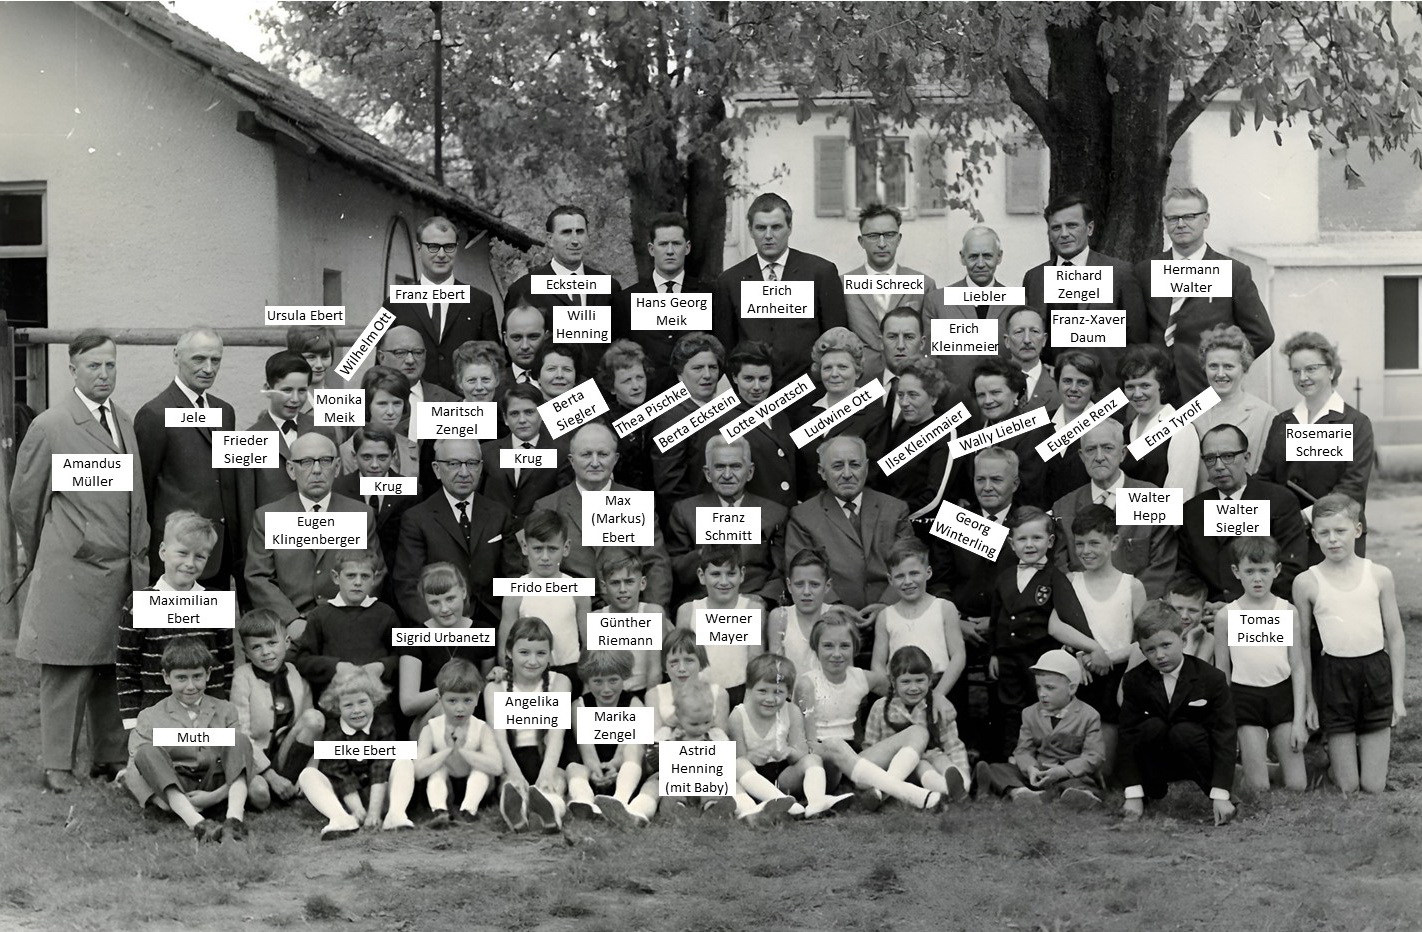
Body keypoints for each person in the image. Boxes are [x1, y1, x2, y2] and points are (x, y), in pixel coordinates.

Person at [11, 329, 148, 793]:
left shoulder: (123, 420)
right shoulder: (50, 425)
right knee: (67, 668)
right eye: (93, 366)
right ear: (72, 370)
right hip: (72, 571)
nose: (104, 374)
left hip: (122, 569)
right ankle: (57, 765)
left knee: (113, 664)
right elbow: (25, 502)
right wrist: (54, 549)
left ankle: (110, 756)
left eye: (110, 365)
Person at [1294, 494, 1406, 794]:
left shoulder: (1379, 575)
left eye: (1340, 530)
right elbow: (1302, 646)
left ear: (1357, 530)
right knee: (1349, 786)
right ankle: (1337, 762)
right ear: (1314, 535)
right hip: (1334, 676)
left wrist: (1396, 697)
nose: (1332, 539)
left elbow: (1395, 636)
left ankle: (1364, 756)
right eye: (1324, 532)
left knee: (1373, 786)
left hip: (1375, 674)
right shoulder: (1306, 582)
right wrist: (1310, 702)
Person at [1136, 187, 1273, 402]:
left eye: (1190, 216)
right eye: (1173, 218)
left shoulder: (1232, 272)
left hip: (1207, 391)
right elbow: (1135, 333)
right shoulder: (1146, 271)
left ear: (1206, 220)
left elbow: (1262, 334)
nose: (1181, 224)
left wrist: (1224, 366)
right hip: (1157, 394)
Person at [794, 611, 943, 809]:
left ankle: (881, 791)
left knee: (918, 732)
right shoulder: (807, 684)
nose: (837, 653)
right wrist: (836, 752)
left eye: (844, 646)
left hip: (856, 760)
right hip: (822, 763)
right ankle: (909, 793)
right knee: (835, 744)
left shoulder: (862, 678)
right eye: (828, 646)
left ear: (855, 648)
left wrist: (937, 696)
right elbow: (810, 744)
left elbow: (903, 686)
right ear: (816, 647)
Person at [990, 508, 1109, 754]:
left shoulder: (1055, 578)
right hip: (1008, 658)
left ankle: (1044, 755)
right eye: (1022, 539)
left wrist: (1083, 651)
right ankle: (1013, 756)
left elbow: (1072, 616)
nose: (1029, 545)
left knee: (1041, 705)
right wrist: (993, 653)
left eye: (1037, 538)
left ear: (1051, 541)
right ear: (1012, 544)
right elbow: (996, 619)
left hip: (1040, 658)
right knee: (1010, 707)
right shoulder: (1004, 578)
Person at [134, 326, 240, 588]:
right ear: (176, 356)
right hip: (177, 559)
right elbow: (143, 491)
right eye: (199, 359)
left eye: (215, 360)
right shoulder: (155, 414)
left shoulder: (225, 411)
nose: (208, 368)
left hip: (217, 553)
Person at [1257, 331, 1375, 561]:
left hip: (1335, 538)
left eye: (1311, 369)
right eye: (1296, 371)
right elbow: (1265, 479)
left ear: (1331, 370)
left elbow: (1352, 487)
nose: (1303, 377)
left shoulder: (1356, 423)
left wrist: (1304, 517)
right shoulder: (1282, 422)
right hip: (1286, 539)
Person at [1118, 601, 1238, 826]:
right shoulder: (1134, 680)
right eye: (1150, 650)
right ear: (1141, 650)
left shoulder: (1211, 678)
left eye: (1166, 645)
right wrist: (1132, 794)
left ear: (1183, 640)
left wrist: (1221, 793)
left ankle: (1220, 797)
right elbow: (1128, 736)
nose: (1159, 655)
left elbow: (1224, 735)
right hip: (1157, 758)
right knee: (1151, 726)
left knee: (1184, 732)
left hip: (1196, 752)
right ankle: (1149, 793)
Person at [785, 436, 915, 641]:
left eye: (854, 464)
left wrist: (886, 606)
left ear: (866, 468)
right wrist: (833, 607)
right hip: (831, 627)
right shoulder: (803, 516)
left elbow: (910, 564)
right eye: (838, 466)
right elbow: (799, 572)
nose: (847, 474)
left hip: (894, 621)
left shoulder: (895, 509)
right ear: (822, 472)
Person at [123, 638, 251, 842]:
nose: (190, 686)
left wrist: (216, 796)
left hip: (215, 781)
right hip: (175, 783)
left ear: (208, 674)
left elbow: (240, 759)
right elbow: (134, 767)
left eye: (197, 677)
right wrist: (161, 800)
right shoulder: (150, 716)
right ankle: (198, 824)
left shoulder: (226, 710)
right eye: (181, 678)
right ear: (166, 677)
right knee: (145, 751)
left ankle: (234, 820)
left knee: (240, 740)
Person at [533, 422, 674, 607]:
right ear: (572, 460)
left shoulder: (636, 501)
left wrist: (654, 611)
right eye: (586, 454)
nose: (595, 462)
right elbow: (538, 571)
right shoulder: (548, 506)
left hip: (627, 611)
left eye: (603, 454)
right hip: (569, 610)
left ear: (615, 459)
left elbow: (656, 564)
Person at [244, 432, 377, 626]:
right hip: (290, 625)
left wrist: (349, 615)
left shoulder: (361, 514)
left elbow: (375, 571)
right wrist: (291, 620)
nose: (316, 470)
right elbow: (258, 578)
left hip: (348, 620)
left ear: (337, 467)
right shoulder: (267, 516)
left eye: (325, 461)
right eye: (306, 462)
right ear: (291, 469)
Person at [716, 192, 848, 385]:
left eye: (776, 227)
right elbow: (726, 348)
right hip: (753, 392)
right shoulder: (730, 281)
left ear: (790, 227)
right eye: (761, 228)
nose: (768, 235)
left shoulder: (820, 273)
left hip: (809, 390)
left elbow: (836, 341)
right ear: (750, 230)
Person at [117, 512, 234, 728]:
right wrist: (133, 721)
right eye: (182, 553)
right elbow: (127, 666)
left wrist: (222, 712)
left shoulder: (215, 601)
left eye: (200, 557)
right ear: (163, 551)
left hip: (208, 719)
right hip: (157, 718)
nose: (190, 563)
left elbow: (226, 664)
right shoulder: (140, 603)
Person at [1022, 192, 1147, 386]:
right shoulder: (1035, 278)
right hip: (1050, 392)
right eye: (1056, 227)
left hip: (1104, 390)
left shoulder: (1119, 274)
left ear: (1090, 228)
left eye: (1072, 225)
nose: (1064, 234)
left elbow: (1137, 342)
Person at [1213, 537, 1308, 793]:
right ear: (1236, 572)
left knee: (1297, 785)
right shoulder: (1227, 616)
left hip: (1281, 697)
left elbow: (1297, 667)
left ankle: (1265, 766)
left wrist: (1299, 721)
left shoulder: (1287, 612)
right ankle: (1247, 769)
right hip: (1245, 699)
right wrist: (1226, 721)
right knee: (1258, 788)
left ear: (1277, 570)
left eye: (1264, 571)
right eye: (1250, 571)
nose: (1257, 578)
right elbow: (1222, 672)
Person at [395, 438, 521, 626]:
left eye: (471, 463)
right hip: (439, 624)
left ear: (480, 468)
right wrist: (438, 626)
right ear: (437, 469)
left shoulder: (499, 514)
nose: (464, 472)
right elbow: (408, 585)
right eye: (453, 464)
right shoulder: (416, 519)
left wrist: (508, 622)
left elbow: (514, 576)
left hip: (494, 621)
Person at [1180, 424, 1308, 607]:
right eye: (1210, 459)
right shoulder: (1192, 511)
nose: (1219, 466)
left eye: (1228, 456)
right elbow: (1185, 573)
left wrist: (1239, 608)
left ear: (1246, 458)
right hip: (1208, 613)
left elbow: (1291, 568)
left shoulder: (1280, 501)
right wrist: (1201, 606)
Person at [1051, 420, 1178, 600]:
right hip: (1081, 606)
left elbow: (1162, 566)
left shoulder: (1155, 498)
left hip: (1137, 606)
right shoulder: (1064, 507)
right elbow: (1060, 568)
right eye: (1091, 449)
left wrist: (1123, 601)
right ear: (1081, 456)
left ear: (1123, 453)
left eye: (1108, 448)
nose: (1099, 457)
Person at [1064, 505, 1147, 775]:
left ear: (1114, 542)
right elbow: (1062, 630)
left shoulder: (1131, 586)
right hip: (1080, 671)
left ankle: (1096, 777)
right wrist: (1080, 657)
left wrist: (1106, 657)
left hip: (1116, 671)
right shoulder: (1071, 582)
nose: (1086, 551)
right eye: (1079, 544)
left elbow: (1144, 642)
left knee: (1104, 767)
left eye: (1094, 543)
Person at [728, 653, 854, 818]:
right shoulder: (738, 716)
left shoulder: (791, 711)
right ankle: (782, 803)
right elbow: (738, 759)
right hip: (753, 779)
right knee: (737, 765)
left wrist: (787, 751)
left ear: (788, 692)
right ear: (750, 690)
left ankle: (816, 803)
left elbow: (801, 753)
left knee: (812, 759)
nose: (770, 699)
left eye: (778, 692)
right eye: (762, 691)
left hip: (782, 778)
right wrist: (752, 757)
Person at [973, 649, 1105, 806]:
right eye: (1038, 687)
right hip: (1040, 772)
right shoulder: (1029, 713)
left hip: (1070, 773)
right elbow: (1023, 750)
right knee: (997, 768)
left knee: (1079, 781)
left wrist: (1064, 771)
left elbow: (1094, 756)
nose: (1042, 694)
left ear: (1071, 688)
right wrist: (1031, 769)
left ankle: (1080, 795)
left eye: (1049, 688)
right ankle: (1020, 792)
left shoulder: (1089, 715)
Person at [667, 435, 787, 605]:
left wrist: (762, 599)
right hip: (703, 604)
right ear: (708, 473)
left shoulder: (775, 514)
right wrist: (704, 553)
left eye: (736, 466)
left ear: (750, 472)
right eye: (719, 467)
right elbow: (675, 570)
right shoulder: (685, 511)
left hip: (754, 602)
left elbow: (781, 571)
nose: (727, 475)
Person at [384, 216, 500, 392]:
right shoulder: (394, 302)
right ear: (418, 248)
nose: (441, 254)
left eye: (448, 247)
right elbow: (380, 366)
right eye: (433, 246)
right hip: (412, 403)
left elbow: (495, 363)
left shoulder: (480, 302)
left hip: (465, 403)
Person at [384, 658, 502, 829]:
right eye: (452, 701)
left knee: (481, 773)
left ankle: (469, 811)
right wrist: (447, 751)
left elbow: (497, 767)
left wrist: (463, 751)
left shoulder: (481, 728)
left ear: (477, 698)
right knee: (438, 771)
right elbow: (418, 770)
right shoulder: (431, 729)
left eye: (467, 700)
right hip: (446, 784)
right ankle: (439, 811)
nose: (460, 708)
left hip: (474, 785)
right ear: (439, 698)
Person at [613, 212, 723, 393]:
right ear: (651, 249)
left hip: (697, 398)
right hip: (647, 399)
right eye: (663, 244)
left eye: (676, 244)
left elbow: (720, 351)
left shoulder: (710, 295)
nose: (670, 251)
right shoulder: (627, 300)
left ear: (687, 248)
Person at [231, 609, 323, 811]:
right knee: (261, 797)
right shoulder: (242, 677)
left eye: (272, 643)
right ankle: (269, 785)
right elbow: (241, 734)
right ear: (246, 652)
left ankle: (297, 780)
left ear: (287, 642)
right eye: (256, 647)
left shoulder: (297, 673)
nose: (266, 652)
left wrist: (311, 770)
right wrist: (270, 776)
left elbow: (313, 732)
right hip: (255, 759)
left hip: (285, 754)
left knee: (315, 718)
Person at [842, 203, 946, 379]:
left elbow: (930, 341)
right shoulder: (843, 284)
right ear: (861, 241)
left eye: (889, 235)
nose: (882, 244)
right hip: (861, 381)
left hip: (909, 379)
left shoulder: (923, 284)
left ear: (899, 239)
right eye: (873, 236)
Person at [488, 616, 572, 834]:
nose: (533, 661)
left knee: (556, 781)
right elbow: (499, 738)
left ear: (550, 654)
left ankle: (552, 809)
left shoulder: (560, 682)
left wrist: (546, 774)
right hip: (513, 759)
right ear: (509, 652)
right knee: (510, 785)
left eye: (541, 653)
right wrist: (514, 773)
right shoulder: (495, 688)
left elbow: (556, 736)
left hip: (547, 757)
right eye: (524, 653)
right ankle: (517, 812)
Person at [502, 205, 619, 354]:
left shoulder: (609, 287)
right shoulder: (525, 289)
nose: (575, 240)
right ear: (550, 239)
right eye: (566, 232)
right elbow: (512, 350)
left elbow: (617, 344)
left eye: (580, 232)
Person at [397, 564, 497, 738]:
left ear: (463, 592)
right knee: (447, 709)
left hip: (472, 719)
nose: (444, 609)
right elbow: (408, 704)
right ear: (424, 601)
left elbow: (484, 685)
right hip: (428, 724)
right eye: (435, 602)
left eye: (450, 599)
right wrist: (453, 689)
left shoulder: (483, 631)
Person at [237, 352, 334, 530]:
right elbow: (246, 508)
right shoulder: (248, 440)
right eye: (287, 390)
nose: (295, 399)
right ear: (267, 389)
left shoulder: (324, 430)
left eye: (302, 391)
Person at [864, 645, 972, 801]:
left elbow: (953, 745)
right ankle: (946, 790)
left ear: (930, 680)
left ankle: (964, 785)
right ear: (893, 682)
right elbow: (871, 746)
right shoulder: (880, 708)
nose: (913, 688)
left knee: (941, 759)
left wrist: (963, 770)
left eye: (920, 680)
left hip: (934, 760)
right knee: (920, 764)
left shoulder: (937, 706)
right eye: (906, 682)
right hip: (897, 768)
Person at [298, 667, 396, 838]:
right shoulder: (332, 734)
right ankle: (342, 819)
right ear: (338, 707)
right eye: (348, 705)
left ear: (373, 701)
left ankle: (396, 814)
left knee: (404, 762)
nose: (356, 710)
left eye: (362, 702)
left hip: (379, 795)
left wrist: (374, 812)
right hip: (347, 799)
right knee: (307, 774)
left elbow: (380, 768)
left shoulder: (384, 728)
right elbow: (340, 775)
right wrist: (357, 809)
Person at [291, 550, 399, 700]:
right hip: (333, 702)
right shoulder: (319, 615)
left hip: (378, 702)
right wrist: (335, 667)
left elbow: (402, 656)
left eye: (365, 576)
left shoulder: (386, 614)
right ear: (336, 577)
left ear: (374, 579)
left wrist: (381, 667)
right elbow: (303, 660)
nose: (358, 582)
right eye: (351, 575)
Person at [947, 357, 1053, 510]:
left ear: (1016, 393)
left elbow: (1029, 496)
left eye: (995, 393)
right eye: (981, 395)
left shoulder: (1033, 434)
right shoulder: (975, 432)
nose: (988, 401)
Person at [501, 509, 589, 693]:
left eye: (552, 549)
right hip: (528, 673)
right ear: (525, 547)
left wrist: (587, 684)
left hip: (571, 672)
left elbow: (590, 642)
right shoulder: (514, 591)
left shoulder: (578, 589)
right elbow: (505, 648)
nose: (545, 557)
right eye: (538, 549)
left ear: (566, 548)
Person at [867, 355, 957, 531]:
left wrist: (892, 519)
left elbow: (934, 498)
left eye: (913, 395)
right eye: (900, 395)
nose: (904, 403)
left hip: (919, 530)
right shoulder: (902, 428)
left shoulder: (944, 431)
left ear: (933, 398)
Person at [870, 539, 966, 700]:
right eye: (900, 576)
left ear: (928, 572)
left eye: (914, 573)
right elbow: (877, 664)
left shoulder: (944, 608)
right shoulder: (885, 616)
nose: (908, 581)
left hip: (939, 686)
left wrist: (938, 694)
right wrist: (895, 696)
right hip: (899, 690)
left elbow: (958, 655)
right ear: (890, 580)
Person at [929, 225, 1012, 406]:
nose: (980, 264)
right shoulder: (937, 301)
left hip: (1001, 404)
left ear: (999, 257)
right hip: (951, 403)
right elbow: (929, 361)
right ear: (962, 257)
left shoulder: (1016, 302)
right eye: (973, 256)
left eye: (987, 256)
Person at [332, 426, 416, 605]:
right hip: (355, 583)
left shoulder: (411, 490)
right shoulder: (338, 489)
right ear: (354, 456)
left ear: (393, 456)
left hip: (398, 585)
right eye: (367, 457)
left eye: (382, 457)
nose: (375, 465)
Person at [793, 328, 884, 490]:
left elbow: (874, 474)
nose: (834, 374)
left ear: (857, 372)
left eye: (842, 367)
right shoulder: (804, 416)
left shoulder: (874, 415)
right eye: (827, 368)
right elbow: (799, 470)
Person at [675, 545, 766, 707]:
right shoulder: (688, 611)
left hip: (740, 695)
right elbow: (680, 662)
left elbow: (755, 661)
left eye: (731, 574)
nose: (724, 582)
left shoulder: (752, 609)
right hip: (700, 695)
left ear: (742, 574)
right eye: (716, 574)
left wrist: (748, 704)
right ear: (702, 576)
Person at [1188, 324, 1274, 492]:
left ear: (1244, 367)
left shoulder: (1265, 414)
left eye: (1228, 366)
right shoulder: (1191, 411)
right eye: (1213, 366)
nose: (1220, 374)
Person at [649, 332, 729, 509]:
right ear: (680, 374)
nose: (707, 375)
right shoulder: (670, 420)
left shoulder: (728, 411)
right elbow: (671, 488)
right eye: (698, 368)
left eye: (712, 367)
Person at [564, 651, 646, 821]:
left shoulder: (635, 704)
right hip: (592, 771)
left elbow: (625, 748)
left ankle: (620, 800)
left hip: (622, 772)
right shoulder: (579, 706)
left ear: (624, 677)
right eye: (598, 682)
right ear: (587, 680)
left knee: (634, 749)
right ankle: (584, 801)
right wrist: (595, 771)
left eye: (613, 680)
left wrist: (614, 766)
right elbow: (587, 750)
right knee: (573, 767)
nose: (606, 689)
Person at [479, 383, 572, 528]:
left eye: (529, 412)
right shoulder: (486, 452)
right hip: (493, 534)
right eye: (514, 414)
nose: (522, 420)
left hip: (539, 534)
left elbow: (563, 503)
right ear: (505, 418)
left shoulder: (561, 454)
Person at [1118, 344, 1201, 495]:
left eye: (1145, 385)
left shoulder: (1181, 429)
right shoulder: (1124, 432)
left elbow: (1181, 495)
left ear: (1161, 386)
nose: (1137, 394)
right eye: (1130, 387)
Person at [724, 340, 798, 508]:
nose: (757, 387)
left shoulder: (780, 415)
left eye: (764, 379)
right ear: (735, 378)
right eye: (749, 379)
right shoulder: (725, 419)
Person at [596, 551, 669, 696]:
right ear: (604, 587)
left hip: (645, 691)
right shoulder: (597, 618)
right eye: (615, 583)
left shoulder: (652, 613)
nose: (623, 590)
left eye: (629, 582)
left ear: (642, 583)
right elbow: (593, 671)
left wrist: (649, 703)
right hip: (609, 695)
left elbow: (655, 671)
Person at [1040, 350, 1104, 507]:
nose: (1073, 388)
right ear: (1058, 383)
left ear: (1094, 388)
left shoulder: (1109, 427)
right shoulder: (1040, 426)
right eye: (1067, 381)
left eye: (1082, 383)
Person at [338, 366, 419, 479]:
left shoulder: (412, 447)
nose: (391, 412)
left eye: (397, 403)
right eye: (382, 404)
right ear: (368, 405)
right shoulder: (347, 451)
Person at [645, 627, 730, 733]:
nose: (681, 668)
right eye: (674, 662)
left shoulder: (718, 694)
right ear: (665, 666)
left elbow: (722, 737)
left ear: (701, 663)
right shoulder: (654, 695)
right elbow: (654, 739)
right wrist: (676, 720)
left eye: (689, 660)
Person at [766, 548, 835, 678]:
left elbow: (845, 672)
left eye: (814, 584)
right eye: (799, 584)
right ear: (789, 585)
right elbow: (776, 672)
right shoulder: (780, 617)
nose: (806, 592)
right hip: (790, 690)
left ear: (827, 586)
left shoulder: (833, 616)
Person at [597, 339, 655, 492]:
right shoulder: (605, 423)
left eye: (640, 377)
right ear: (612, 387)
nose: (636, 386)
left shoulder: (659, 414)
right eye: (627, 381)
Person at [1002, 307, 1061, 414]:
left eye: (1034, 331)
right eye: (1019, 332)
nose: (1027, 340)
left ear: (1044, 340)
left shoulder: (1060, 383)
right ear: (1007, 341)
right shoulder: (990, 381)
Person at [498, 303, 550, 392]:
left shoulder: (566, 382)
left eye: (533, 337)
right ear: (505, 339)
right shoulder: (492, 386)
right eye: (516, 338)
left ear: (546, 337)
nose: (524, 346)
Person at [1166, 575, 1217, 663]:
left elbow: (1192, 670)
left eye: (1192, 610)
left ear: (1203, 613)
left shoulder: (1209, 639)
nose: (1184, 616)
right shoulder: (1156, 638)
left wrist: (1190, 640)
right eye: (1178, 609)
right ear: (1166, 609)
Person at [452, 339, 506, 407]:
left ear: (497, 380)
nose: (479, 387)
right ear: (459, 382)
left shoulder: (505, 412)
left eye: (485, 379)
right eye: (471, 380)